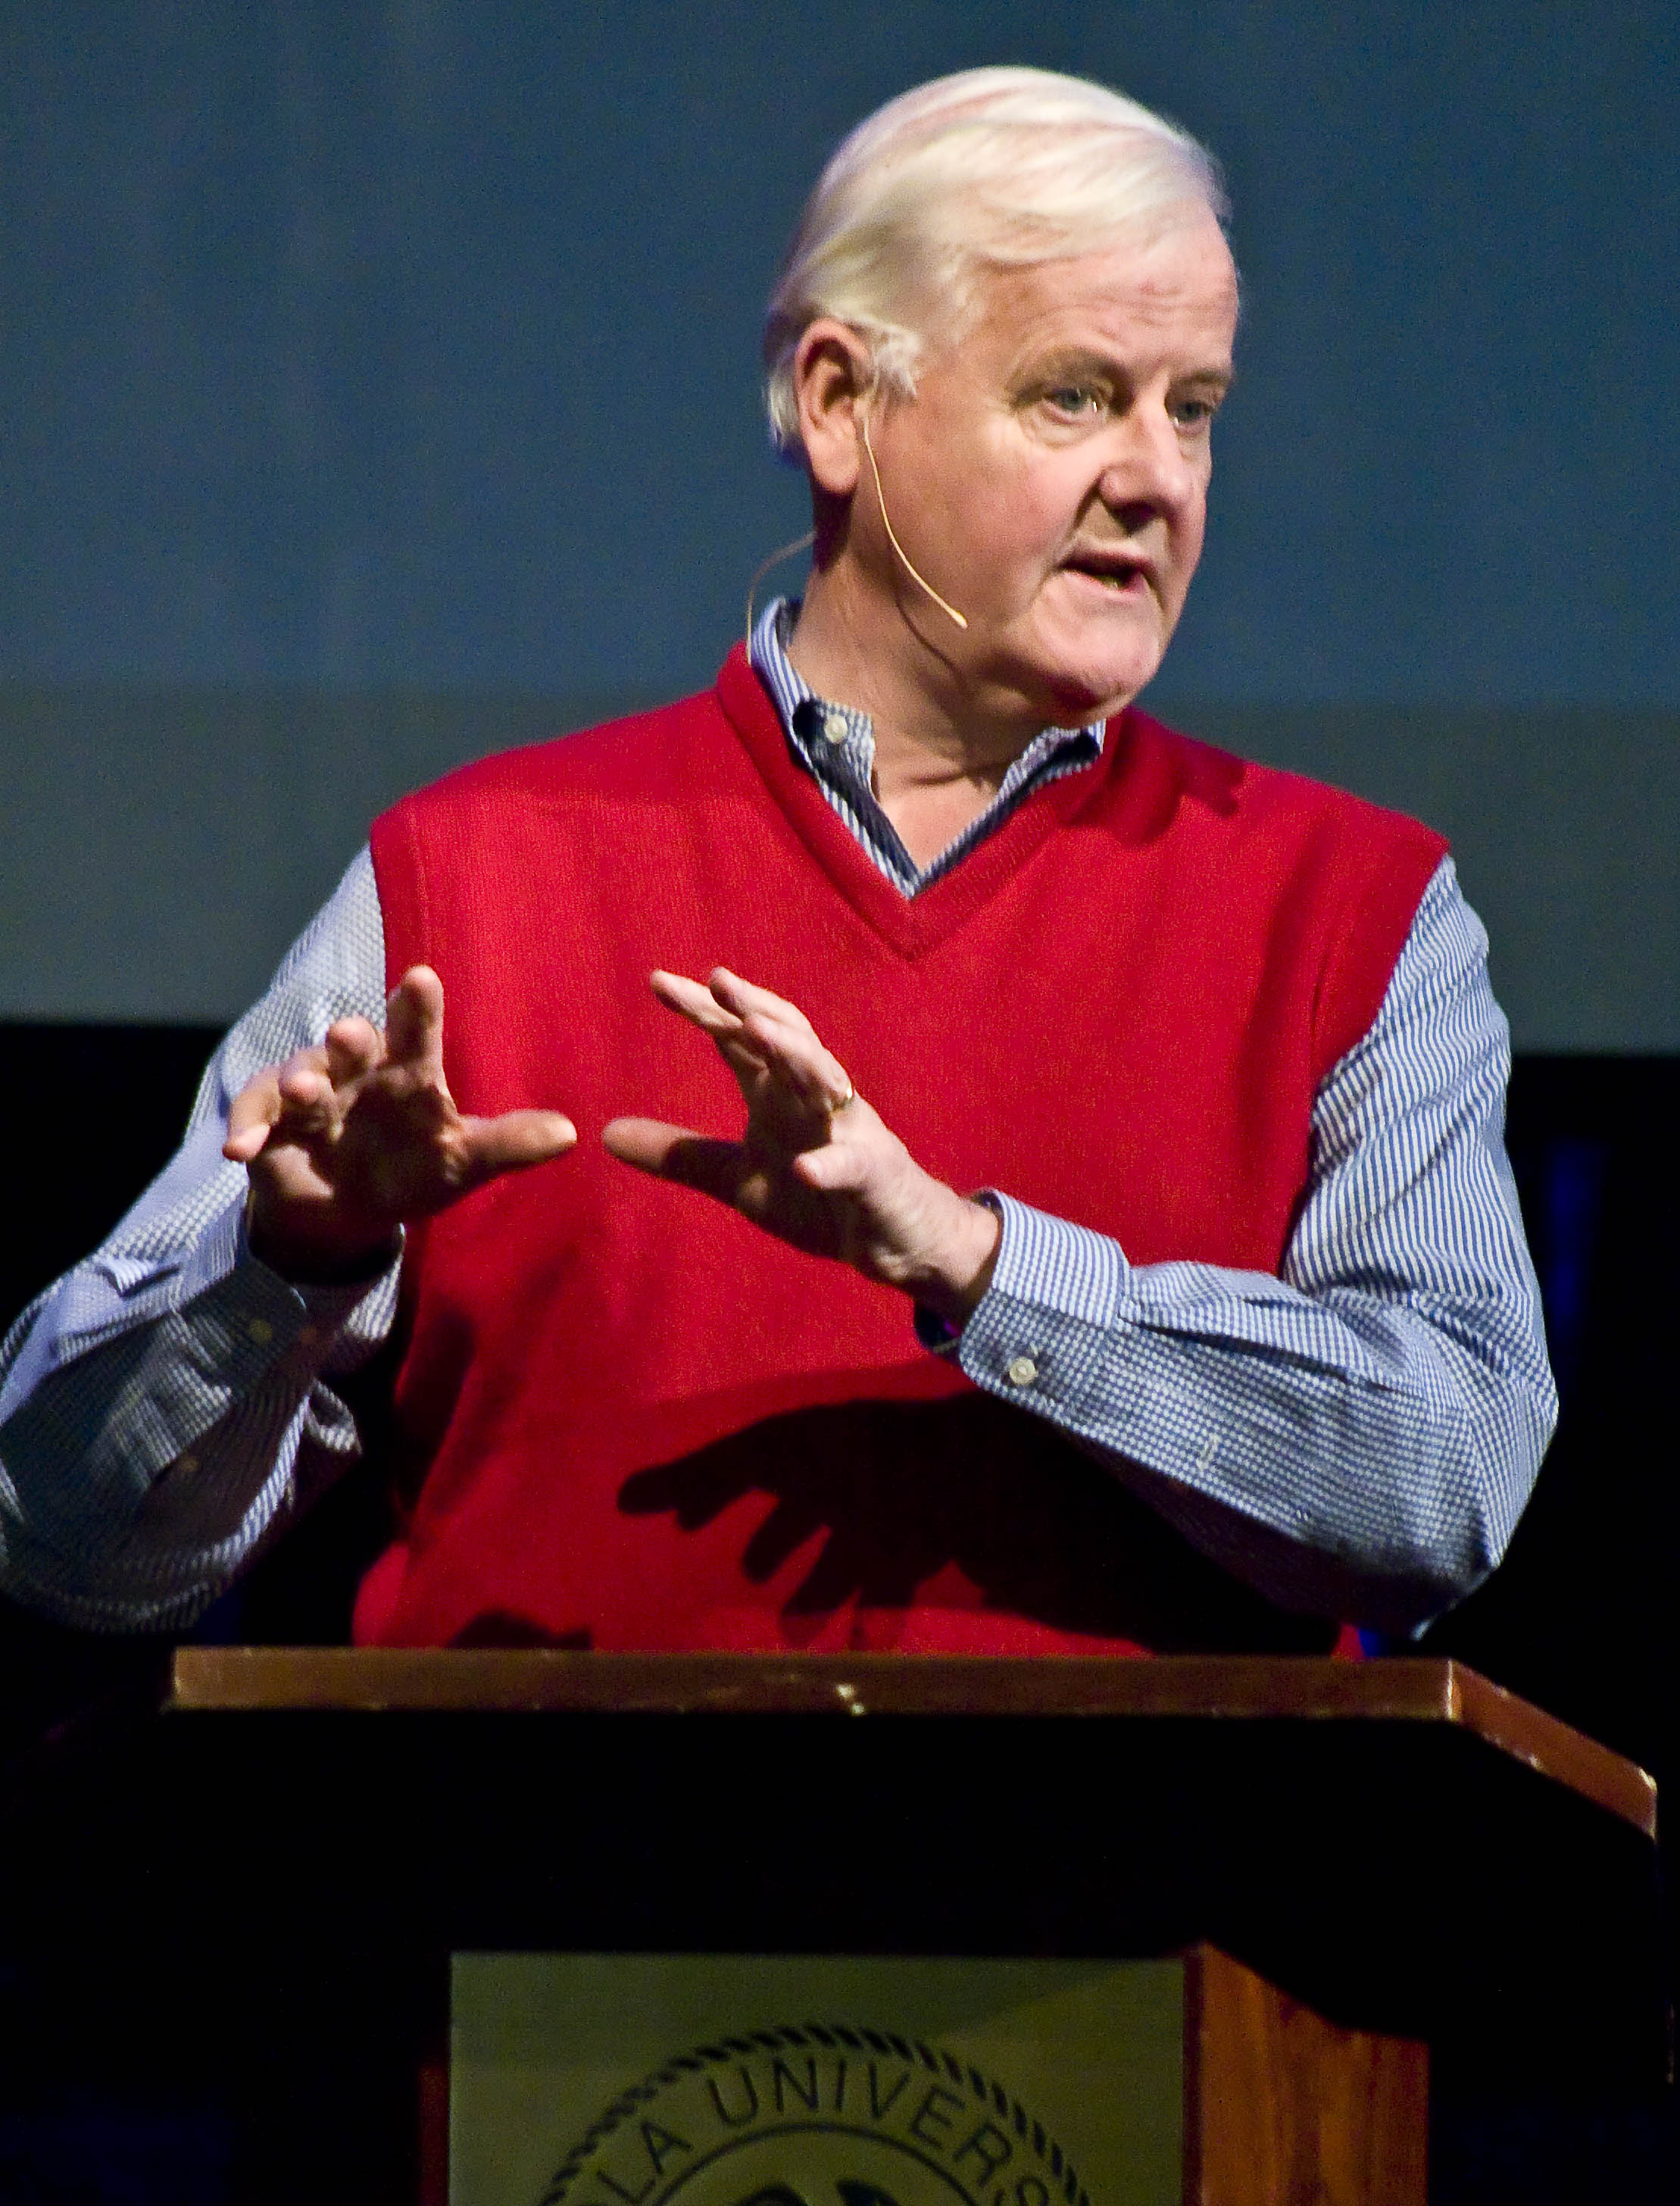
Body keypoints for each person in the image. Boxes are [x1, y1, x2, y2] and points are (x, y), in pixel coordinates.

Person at [0, 67, 1554, 1655]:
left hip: (1142, 1903)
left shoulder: (1354, 915)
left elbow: (1444, 1486)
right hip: (531, 1894)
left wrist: (976, 1267)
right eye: (1073, 395)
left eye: (1194, 409)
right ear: (838, 404)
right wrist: (287, 1260)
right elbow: (63, 1541)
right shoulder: (461, 884)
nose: (1156, 477)